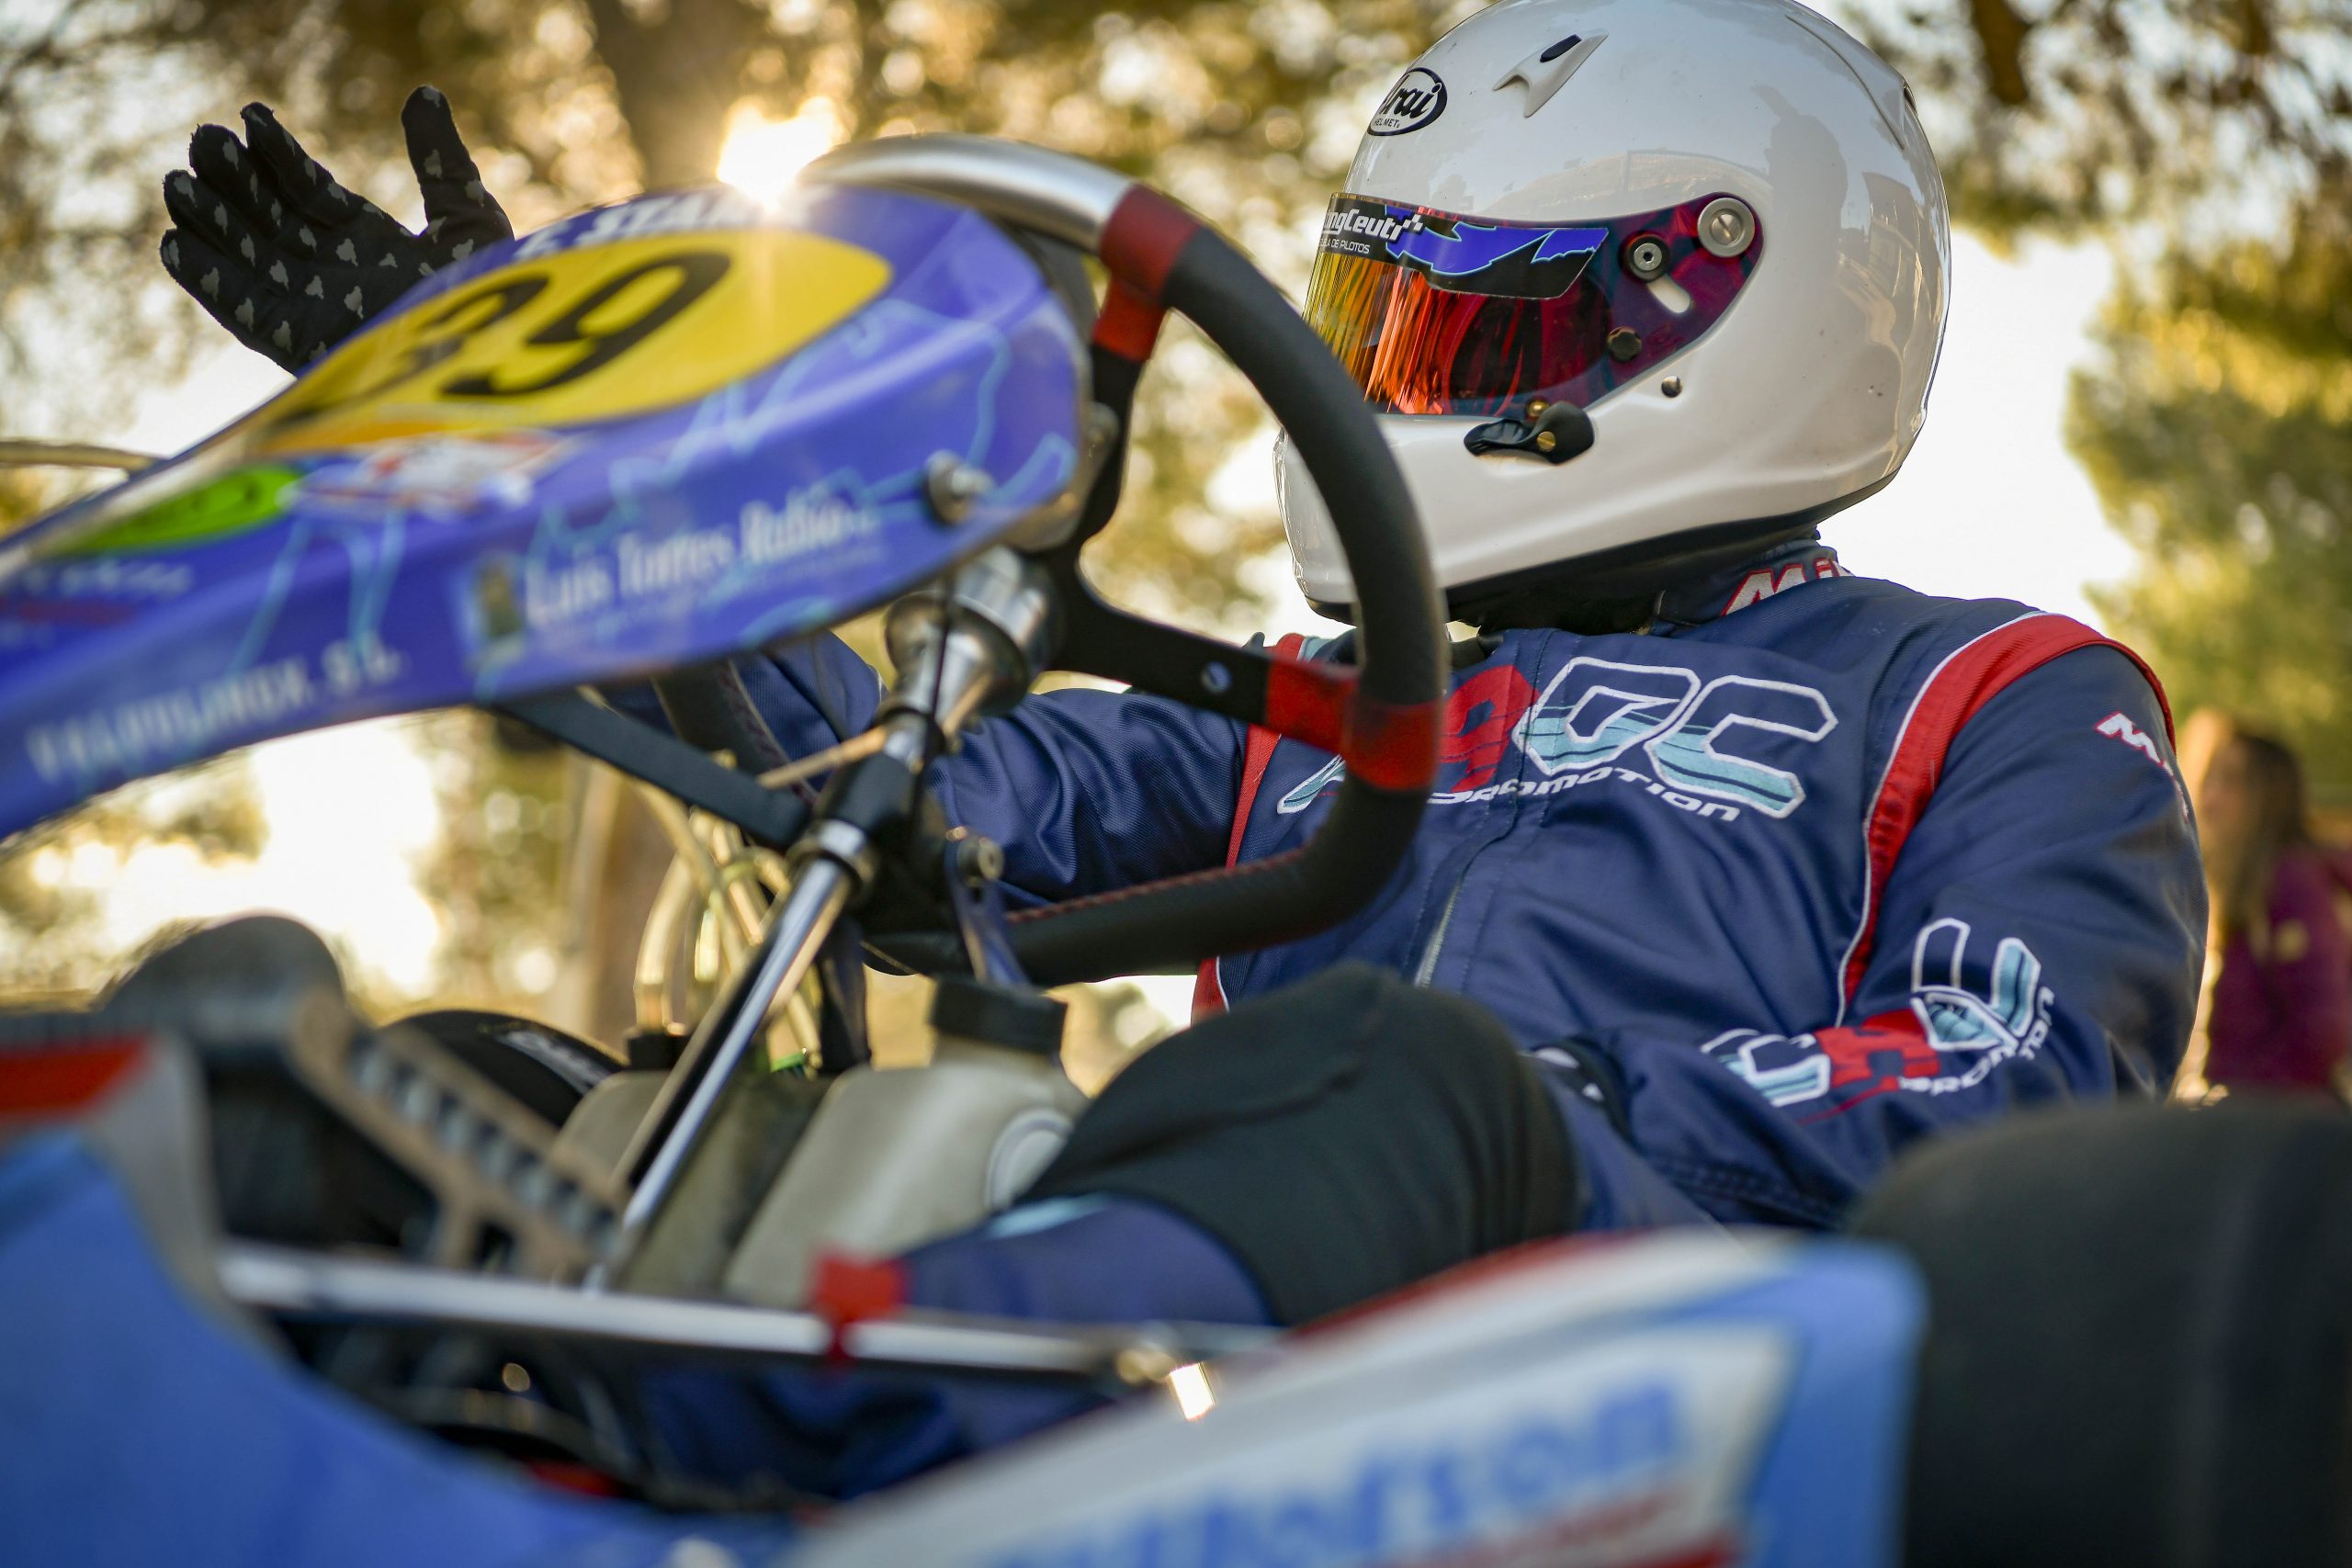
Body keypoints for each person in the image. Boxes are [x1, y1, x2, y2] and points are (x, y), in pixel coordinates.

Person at [160, 0, 2205, 1497]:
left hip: (1669, 1373)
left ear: (1709, 311)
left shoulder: (1995, 690)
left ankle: (675, 1442)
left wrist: (1534, 1108)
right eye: (1382, 324)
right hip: (1242, 1323)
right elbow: (883, 792)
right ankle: (233, 1329)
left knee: (1391, 1074)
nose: (1400, 385)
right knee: (499, 1090)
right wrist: (542, 445)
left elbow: (2002, 1085)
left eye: (1470, 334)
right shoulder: (1319, 706)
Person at [2184, 716, 2349, 1096]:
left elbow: (2323, 1028)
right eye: (2209, 779)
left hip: (2283, 1122)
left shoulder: (2293, 883)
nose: (2209, 798)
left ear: (2270, 796)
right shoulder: (2244, 884)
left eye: (2231, 781)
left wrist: (2239, 1104)